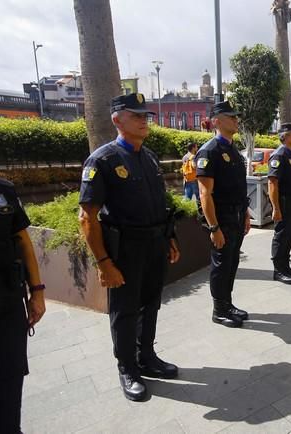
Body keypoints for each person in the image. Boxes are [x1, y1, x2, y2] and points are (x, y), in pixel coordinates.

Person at [79, 93, 181, 401]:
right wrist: (104, 263)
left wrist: (170, 238)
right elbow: (87, 217)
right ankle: (127, 368)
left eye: (145, 115)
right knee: (124, 311)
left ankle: (146, 357)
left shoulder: (148, 157)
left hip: (154, 244)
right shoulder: (103, 160)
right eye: (135, 115)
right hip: (125, 250)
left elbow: (161, 205)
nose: (143, 120)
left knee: (150, 304)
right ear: (116, 119)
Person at [196, 101, 251, 328]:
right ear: (217, 121)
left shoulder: (233, 151)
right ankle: (219, 310)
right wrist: (214, 227)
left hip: (237, 216)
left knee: (231, 262)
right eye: (231, 117)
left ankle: (227, 303)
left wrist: (246, 214)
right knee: (221, 264)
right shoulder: (210, 151)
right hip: (222, 219)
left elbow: (239, 188)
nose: (236, 120)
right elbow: (204, 194)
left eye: (236, 117)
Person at [0, 178, 45, 432]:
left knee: (11, 376)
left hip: (8, 303)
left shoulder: (3, 189)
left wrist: (37, 291)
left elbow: (23, 242)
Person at [268, 122, 291, 285]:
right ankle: (278, 270)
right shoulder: (279, 155)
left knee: (290, 234)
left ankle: (286, 266)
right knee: (282, 235)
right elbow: (272, 183)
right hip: (283, 201)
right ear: (286, 136)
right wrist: (275, 207)